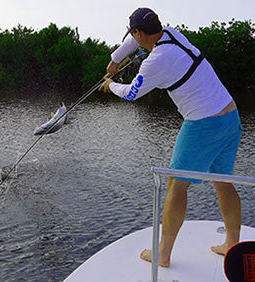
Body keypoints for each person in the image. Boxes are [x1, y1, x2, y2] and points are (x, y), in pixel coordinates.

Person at [99, 7, 243, 267]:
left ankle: (162, 254)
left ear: (139, 31)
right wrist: (115, 60)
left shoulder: (157, 60)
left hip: (204, 123)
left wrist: (110, 85)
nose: (133, 38)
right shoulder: (171, 34)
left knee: (176, 186)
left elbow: (132, 93)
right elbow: (133, 40)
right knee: (223, 182)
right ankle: (232, 243)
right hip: (230, 117)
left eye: (134, 33)